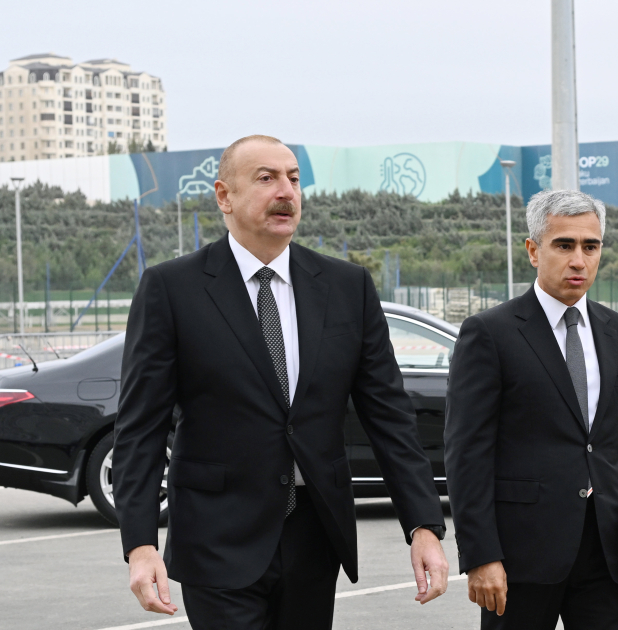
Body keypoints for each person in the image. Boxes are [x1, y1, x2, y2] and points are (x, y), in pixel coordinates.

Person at [113, 135, 449, 629]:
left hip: (316, 534)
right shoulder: (172, 289)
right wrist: (140, 544)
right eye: (266, 178)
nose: (286, 191)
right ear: (224, 196)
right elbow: (141, 427)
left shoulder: (347, 286)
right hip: (216, 536)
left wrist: (423, 525)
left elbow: (389, 417)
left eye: (293, 178)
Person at [443, 189, 618, 630]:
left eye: (590, 246)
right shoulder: (489, 334)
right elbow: (466, 455)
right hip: (521, 557)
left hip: (607, 554)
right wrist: (481, 555)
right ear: (533, 250)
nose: (579, 260)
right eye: (564, 245)